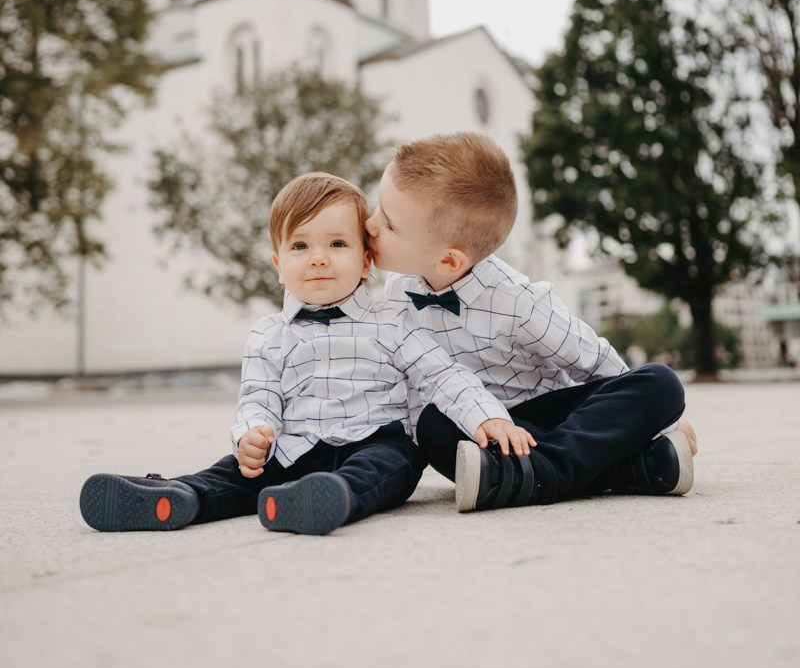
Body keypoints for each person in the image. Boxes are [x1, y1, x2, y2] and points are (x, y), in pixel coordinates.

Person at [80, 172, 531, 537]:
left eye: (337, 244)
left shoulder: (393, 321)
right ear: (279, 265)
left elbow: (443, 375)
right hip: (293, 447)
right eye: (300, 246)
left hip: (375, 440)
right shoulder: (268, 334)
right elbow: (258, 396)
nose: (318, 258)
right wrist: (252, 433)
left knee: (383, 468)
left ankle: (328, 498)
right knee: (237, 473)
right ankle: (179, 496)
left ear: (365, 260)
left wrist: (486, 417)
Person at [365, 132, 696, 512]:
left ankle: (540, 474)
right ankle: (627, 468)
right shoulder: (398, 288)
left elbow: (596, 363)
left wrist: (661, 423)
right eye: (378, 207)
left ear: (449, 261)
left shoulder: (520, 302)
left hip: (551, 419)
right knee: (432, 426)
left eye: (388, 223)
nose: (370, 224)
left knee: (661, 383)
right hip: (483, 430)